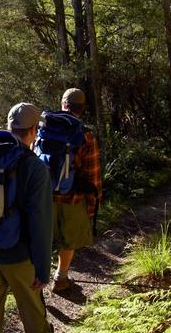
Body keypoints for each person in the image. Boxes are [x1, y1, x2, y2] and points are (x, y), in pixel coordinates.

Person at [0, 102, 53, 333]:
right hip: (19, 257)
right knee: (34, 316)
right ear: (34, 130)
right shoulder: (35, 167)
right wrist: (43, 270)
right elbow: (40, 223)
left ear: (8, 126)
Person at [50, 88, 103, 293]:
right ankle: (60, 279)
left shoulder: (43, 128)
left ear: (63, 104)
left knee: (42, 240)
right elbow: (93, 174)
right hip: (72, 198)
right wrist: (93, 204)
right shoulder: (85, 134)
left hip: (44, 197)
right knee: (68, 240)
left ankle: (36, 283)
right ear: (82, 108)